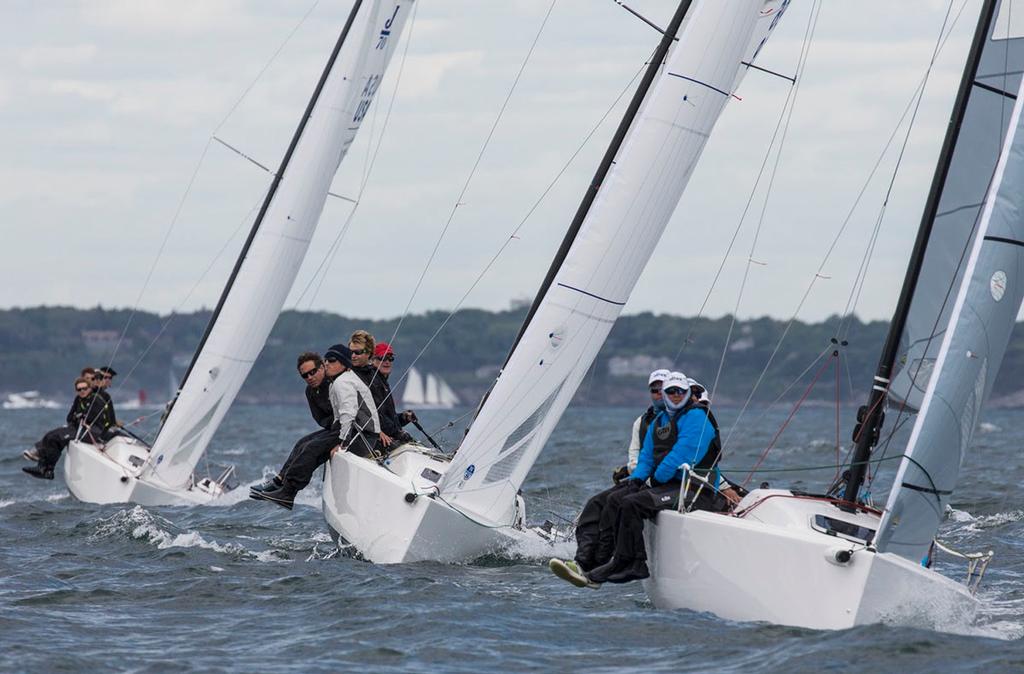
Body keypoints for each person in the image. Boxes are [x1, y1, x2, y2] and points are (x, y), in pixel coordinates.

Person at [550, 372, 727, 587]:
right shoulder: (660, 421)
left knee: (631, 503)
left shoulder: (698, 418)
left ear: (689, 392)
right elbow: (646, 457)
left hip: (694, 490)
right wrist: (637, 480)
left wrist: (653, 480)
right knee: (605, 501)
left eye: (681, 391)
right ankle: (590, 563)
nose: (676, 395)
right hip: (667, 484)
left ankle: (632, 563)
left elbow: (682, 454)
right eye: (670, 391)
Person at [557, 369, 670, 585]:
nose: (659, 394)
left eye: (664, 389)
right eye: (654, 389)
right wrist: (632, 472)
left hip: (657, 483)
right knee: (594, 504)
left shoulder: (676, 420)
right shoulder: (642, 422)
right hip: (640, 478)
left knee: (614, 503)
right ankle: (582, 562)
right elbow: (635, 457)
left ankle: (600, 566)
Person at [250, 352, 337, 499]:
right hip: (332, 428)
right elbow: (320, 419)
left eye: (313, 372)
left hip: (345, 429)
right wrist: (331, 425)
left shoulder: (335, 384)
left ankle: (289, 491)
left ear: (322, 367)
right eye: (305, 375)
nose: (309, 377)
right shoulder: (310, 391)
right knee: (302, 443)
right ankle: (279, 481)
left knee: (311, 448)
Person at [22, 377, 109, 479]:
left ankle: (45, 466)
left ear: (90, 388)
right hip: (77, 428)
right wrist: (78, 417)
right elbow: (70, 417)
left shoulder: (96, 399)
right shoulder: (78, 399)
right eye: (79, 389)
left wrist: (79, 416)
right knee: (51, 435)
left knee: (56, 438)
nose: (82, 391)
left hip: (92, 431)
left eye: (84, 388)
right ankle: (44, 468)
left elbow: (92, 417)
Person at [369, 342, 417, 449]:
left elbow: (387, 418)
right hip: (378, 440)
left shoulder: (383, 382)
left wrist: (403, 418)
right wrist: (398, 433)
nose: (387, 362)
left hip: (388, 436)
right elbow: (378, 417)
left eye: (390, 358)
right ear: (372, 360)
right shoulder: (373, 382)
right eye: (382, 358)